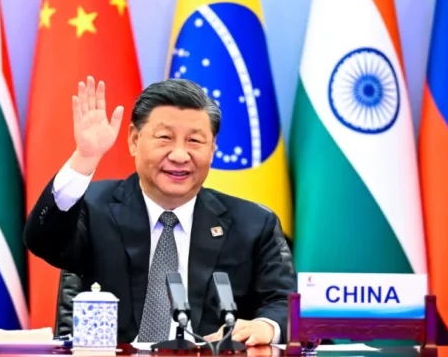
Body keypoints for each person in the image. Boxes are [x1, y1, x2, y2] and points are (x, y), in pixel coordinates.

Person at [23, 76, 297, 346]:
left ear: (213, 148)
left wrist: (266, 326)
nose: (179, 155)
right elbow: (42, 239)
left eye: (195, 141)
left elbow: (285, 303)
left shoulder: (253, 224)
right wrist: (84, 158)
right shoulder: (93, 207)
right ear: (134, 140)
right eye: (165, 138)